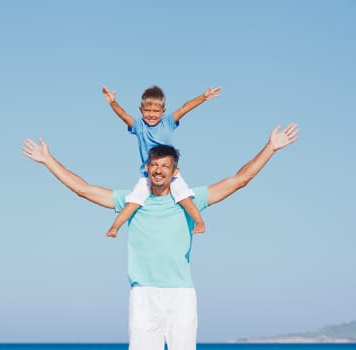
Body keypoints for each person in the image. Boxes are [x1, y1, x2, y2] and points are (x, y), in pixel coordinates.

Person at [22, 123, 298, 350]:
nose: (158, 170)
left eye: (165, 166)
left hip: (181, 295)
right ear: (146, 169)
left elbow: (239, 180)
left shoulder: (192, 199)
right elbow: (84, 189)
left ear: (175, 172)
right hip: (144, 295)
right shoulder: (131, 200)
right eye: (154, 165)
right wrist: (48, 160)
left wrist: (271, 147)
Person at [102, 85, 221, 237]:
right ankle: (114, 227)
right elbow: (124, 115)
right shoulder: (139, 126)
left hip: (169, 173)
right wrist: (113, 102)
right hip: (148, 174)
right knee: (134, 200)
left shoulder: (167, 122)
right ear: (141, 110)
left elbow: (184, 109)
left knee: (184, 196)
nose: (152, 115)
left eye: (156, 111)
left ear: (163, 112)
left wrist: (203, 97)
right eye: (147, 111)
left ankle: (199, 222)